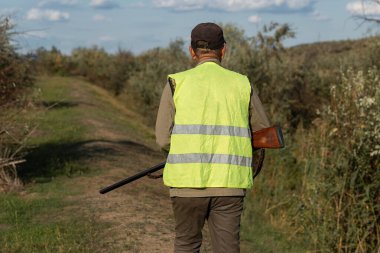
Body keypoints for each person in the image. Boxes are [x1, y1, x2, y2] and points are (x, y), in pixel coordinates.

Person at [155, 22, 270, 253]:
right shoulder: (242, 83)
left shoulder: (176, 82)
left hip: (185, 185)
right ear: (223, 50)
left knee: (186, 245)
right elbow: (263, 132)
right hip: (230, 185)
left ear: (191, 51)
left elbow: (163, 139)